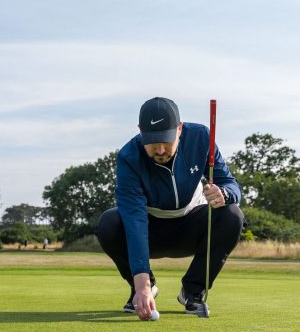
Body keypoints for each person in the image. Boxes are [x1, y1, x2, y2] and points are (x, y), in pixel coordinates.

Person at [95, 97, 244, 320]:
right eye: (153, 142)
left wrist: (225, 194)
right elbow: (134, 221)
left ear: (180, 129)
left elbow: (231, 184)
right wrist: (142, 284)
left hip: (192, 225)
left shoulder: (201, 137)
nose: (161, 149)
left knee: (232, 215)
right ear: (140, 131)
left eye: (166, 140)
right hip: (151, 230)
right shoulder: (128, 157)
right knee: (109, 223)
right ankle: (143, 289)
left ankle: (193, 290)